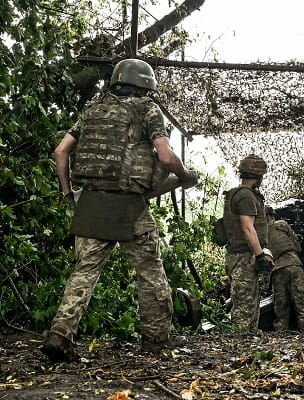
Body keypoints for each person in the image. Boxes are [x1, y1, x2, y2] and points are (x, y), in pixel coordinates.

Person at [42, 59, 199, 362]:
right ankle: (156, 340)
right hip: (130, 207)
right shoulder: (147, 109)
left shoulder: (92, 109)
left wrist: (67, 194)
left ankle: (59, 335)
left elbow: (61, 152)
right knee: (150, 272)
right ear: (145, 85)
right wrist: (185, 175)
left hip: (91, 204)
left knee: (84, 272)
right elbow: (166, 157)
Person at [222, 154, 272, 333]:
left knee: (250, 303)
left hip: (240, 255)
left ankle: (248, 342)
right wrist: (260, 256)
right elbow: (247, 229)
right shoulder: (246, 197)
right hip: (243, 256)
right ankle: (239, 344)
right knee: (244, 309)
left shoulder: (238, 194)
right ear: (258, 177)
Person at [265, 207, 304, 332]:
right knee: (301, 301)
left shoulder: (260, 232)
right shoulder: (282, 224)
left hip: (277, 269)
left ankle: (281, 332)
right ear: (272, 215)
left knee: (281, 304)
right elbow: (297, 244)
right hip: (294, 264)